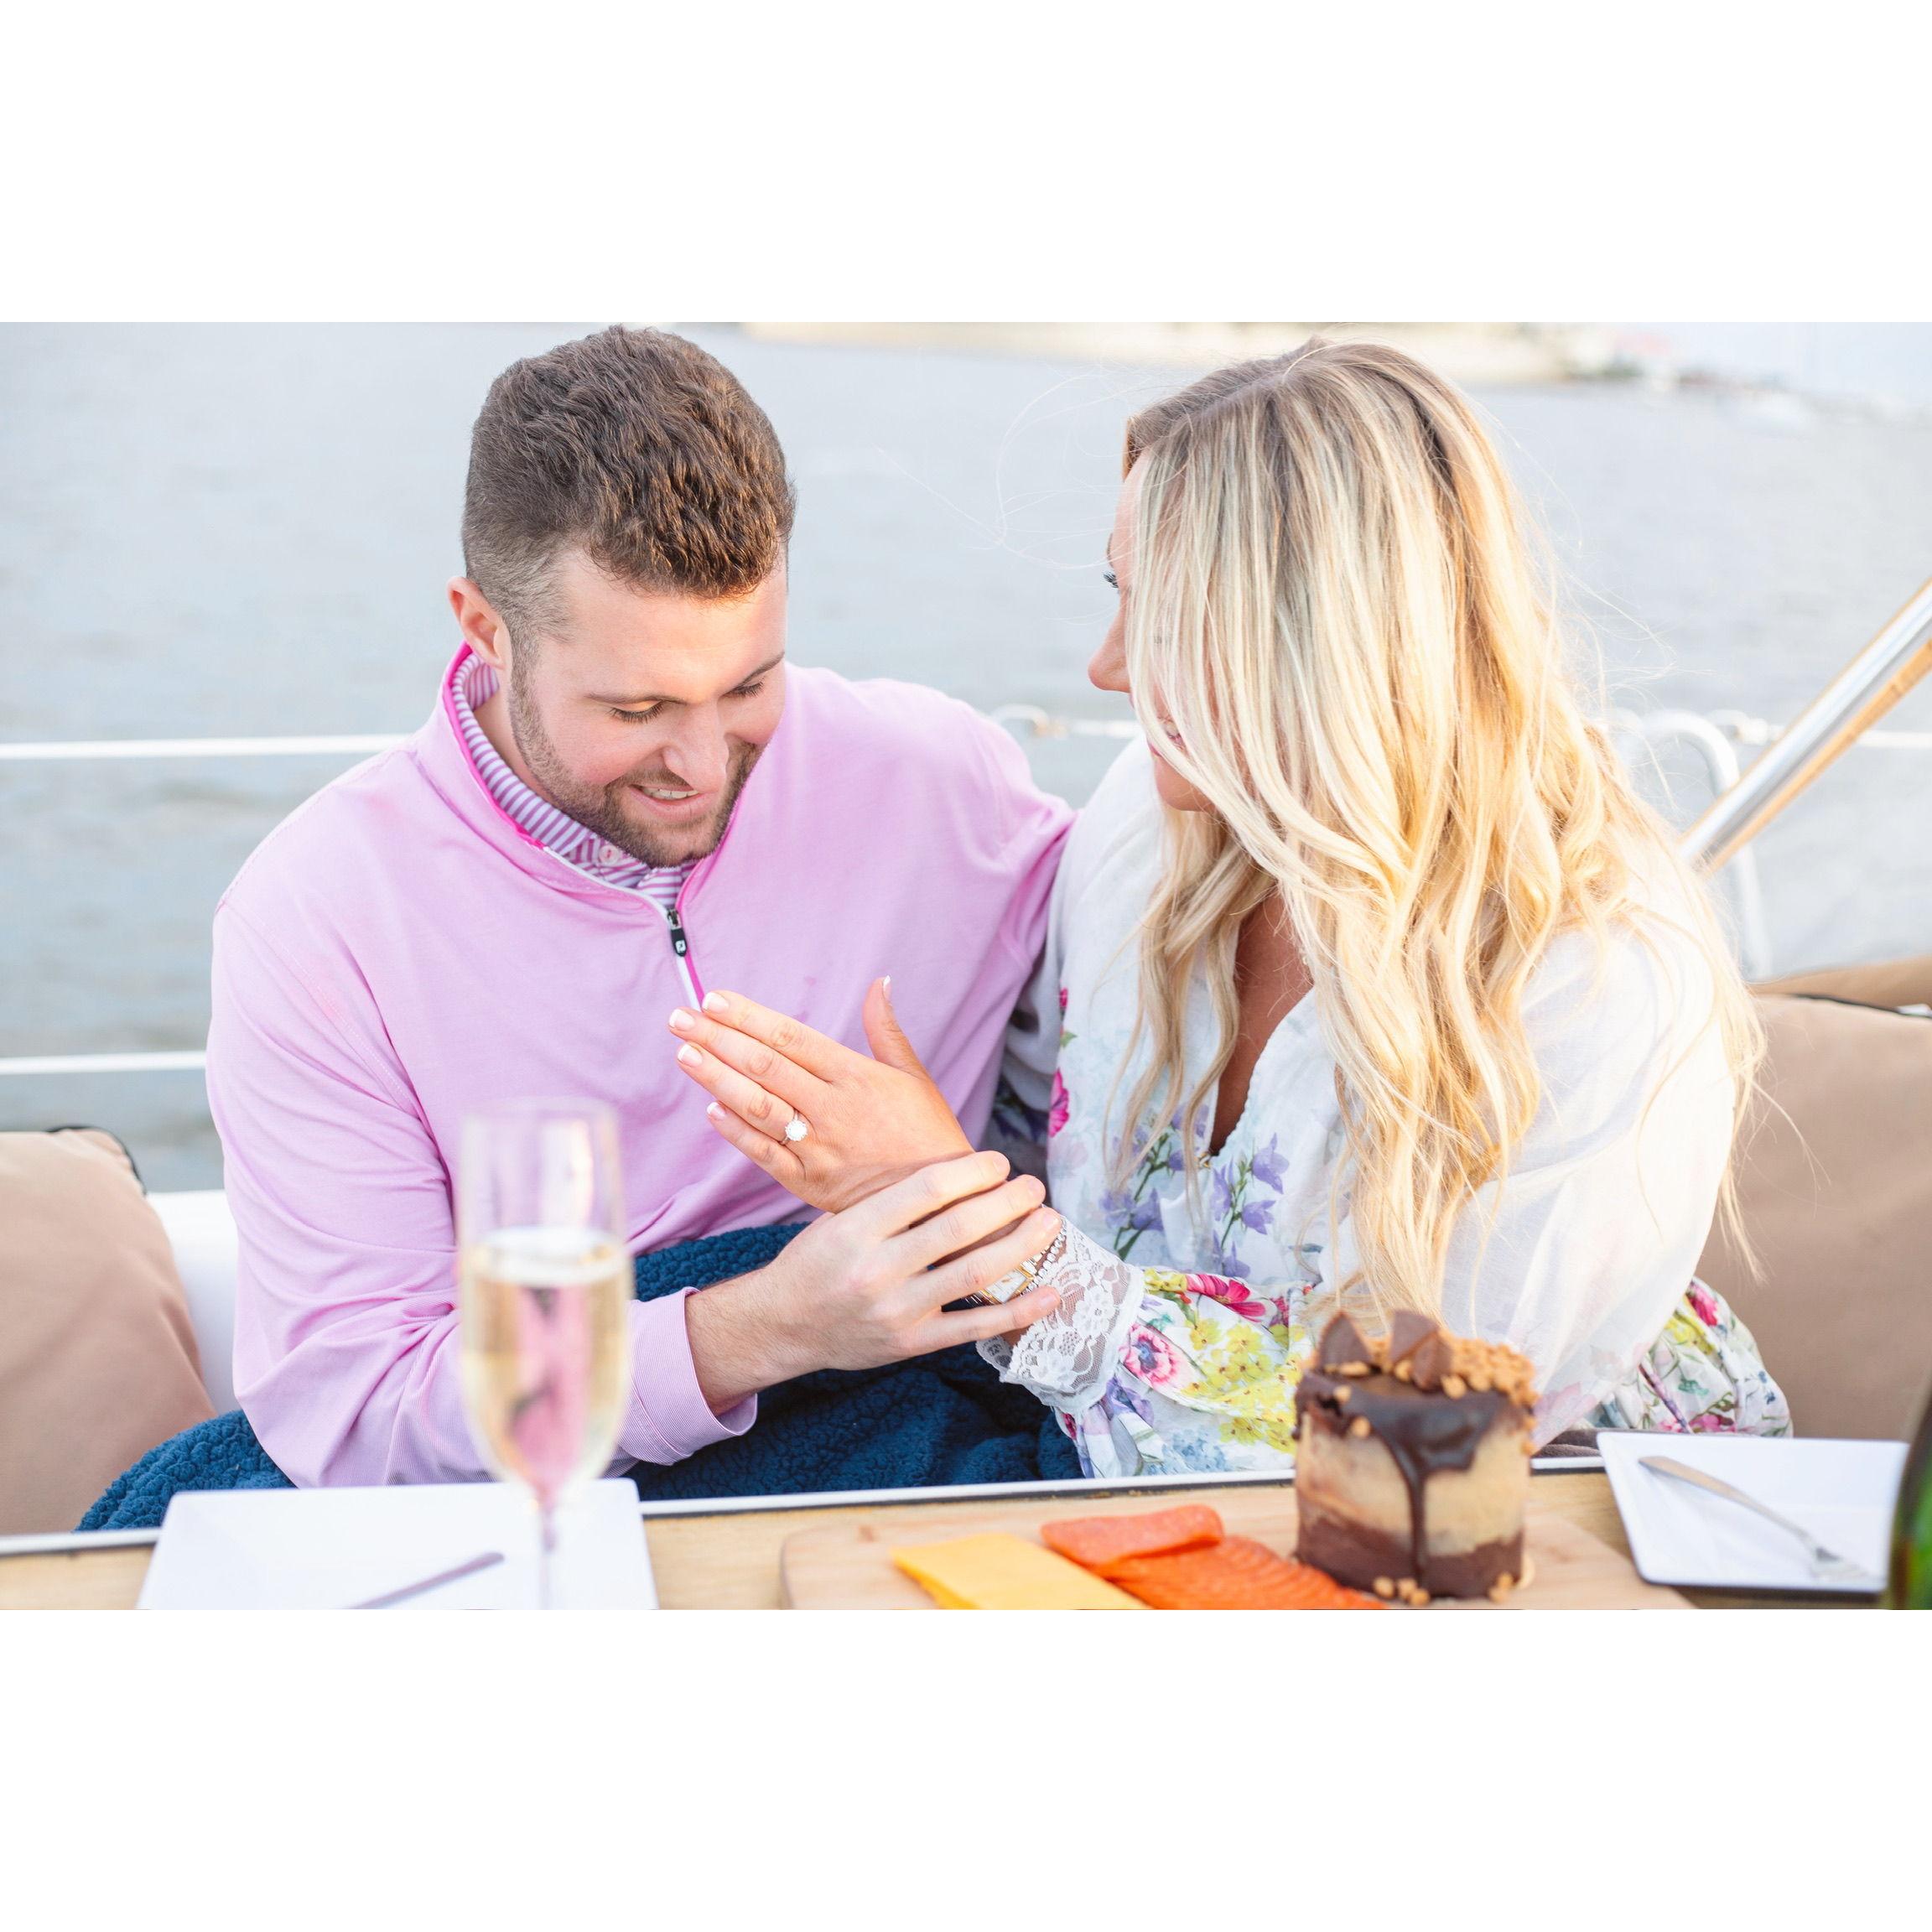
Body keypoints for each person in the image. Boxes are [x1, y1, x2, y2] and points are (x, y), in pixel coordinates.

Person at [667, 338, 1792, 1478]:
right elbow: (1039, 1152)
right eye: (1116, 597)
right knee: (702, 1313)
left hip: (1530, 1506)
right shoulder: (1150, 824)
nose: (1106, 666)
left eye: (1154, 616)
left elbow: (1423, 1437)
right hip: (1108, 1435)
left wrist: (962, 1222)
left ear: (1307, 645)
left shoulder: (1598, 977)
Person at [209, 326, 1067, 1488]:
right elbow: (358, 1410)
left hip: (923, 1427)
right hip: (545, 1482)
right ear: (485, 628)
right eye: (637, 710)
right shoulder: (317, 918)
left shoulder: (942, 782)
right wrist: (764, 1328)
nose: (704, 767)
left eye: (750, 684)